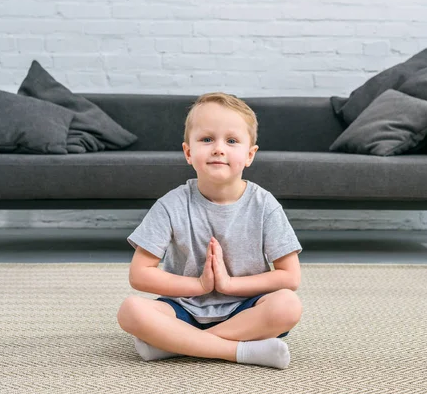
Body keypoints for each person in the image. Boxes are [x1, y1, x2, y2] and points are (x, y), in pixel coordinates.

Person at [116, 92, 303, 369]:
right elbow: (139, 274)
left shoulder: (265, 205)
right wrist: (199, 286)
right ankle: (239, 351)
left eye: (231, 141)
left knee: (288, 305)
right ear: (188, 152)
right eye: (206, 139)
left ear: (249, 154)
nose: (218, 148)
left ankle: (175, 344)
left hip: (246, 309)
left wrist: (229, 285)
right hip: (184, 307)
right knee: (130, 311)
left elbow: (291, 276)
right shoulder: (170, 205)